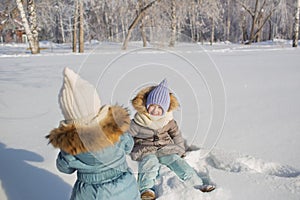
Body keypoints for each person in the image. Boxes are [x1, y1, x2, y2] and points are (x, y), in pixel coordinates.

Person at [46, 67, 140, 200]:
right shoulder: (115, 131)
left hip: (90, 194)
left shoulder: (72, 146)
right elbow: (128, 145)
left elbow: (64, 168)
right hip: (125, 186)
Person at [129, 79, 215, 200]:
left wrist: (180, 149)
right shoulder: (138, 121)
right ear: (147, 105)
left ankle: (198, 184)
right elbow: (126, 136)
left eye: (160, 107)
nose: (155, 110)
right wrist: (123, 149)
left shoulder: (168, 120)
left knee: (177, 162)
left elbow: (176, 135)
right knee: (149, 164)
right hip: (145, 150)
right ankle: (146, 190)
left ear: (165, 109)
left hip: (165, 148)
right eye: (152, 106)